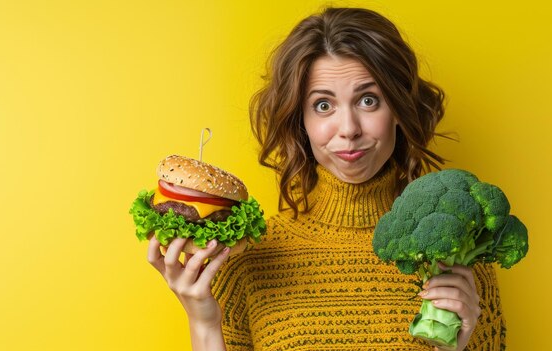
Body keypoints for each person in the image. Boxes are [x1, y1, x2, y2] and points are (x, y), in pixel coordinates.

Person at [146, 7, 505, 351]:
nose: (348, 129)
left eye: (368, 100)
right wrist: (203, 321)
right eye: (323, 105)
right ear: (300, 120)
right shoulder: (246, 260)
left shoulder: (462, 252)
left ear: (397, 108)